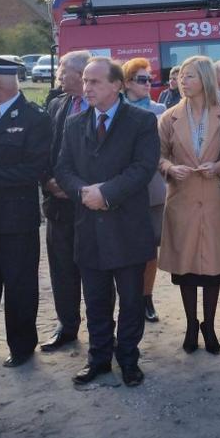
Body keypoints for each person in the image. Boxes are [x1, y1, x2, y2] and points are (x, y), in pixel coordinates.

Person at [54, 57, 159, 388]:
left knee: (130, 300)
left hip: (127, 227)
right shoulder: (74, 123)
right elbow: (63, 168)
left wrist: (107, 194)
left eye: (95, 82)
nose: (87, 87)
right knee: (96, 300)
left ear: (117, 85)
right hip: (89, 227)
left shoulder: (141, 121)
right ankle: (98, 358)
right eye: (85, 81)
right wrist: (84, 192)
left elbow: (143, 167)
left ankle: (128, 358)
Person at [0, 54, 53, 368]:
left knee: (19, 285)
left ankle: (22, 345)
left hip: (16, 219)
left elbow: (34, 170)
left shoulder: (34, 118)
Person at [158, 55, 220, 353]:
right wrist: (169, 168)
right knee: (186, 269)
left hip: (215, 200)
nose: (183, 80)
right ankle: (192, 324)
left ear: (205, 79)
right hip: (181, 200)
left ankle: (209, 324)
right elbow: (157, 154)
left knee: (212, 268)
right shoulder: (169, 117)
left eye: (190, 76)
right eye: (181, 76)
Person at [40, 51, 91, 352]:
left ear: (80, 73)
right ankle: (67, 325)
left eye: (63, 68)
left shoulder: (103, 108)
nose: (58, 73)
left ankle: (102, 329)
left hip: (90, 203)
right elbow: (44, 149)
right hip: (57, 205)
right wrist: (47, 180)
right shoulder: (56, 104)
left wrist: (75, 187)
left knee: (96, 271)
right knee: (61, 269)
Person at [121, 57, 167, 323]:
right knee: (124, 246)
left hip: (152, 189)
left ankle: (146, 298)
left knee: (150, 247)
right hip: (123, 191)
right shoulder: (115, 109)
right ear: (126, 82)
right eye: (141, 79)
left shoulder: (159, 109)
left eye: (150, 79)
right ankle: (127, 299)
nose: (148, 84)